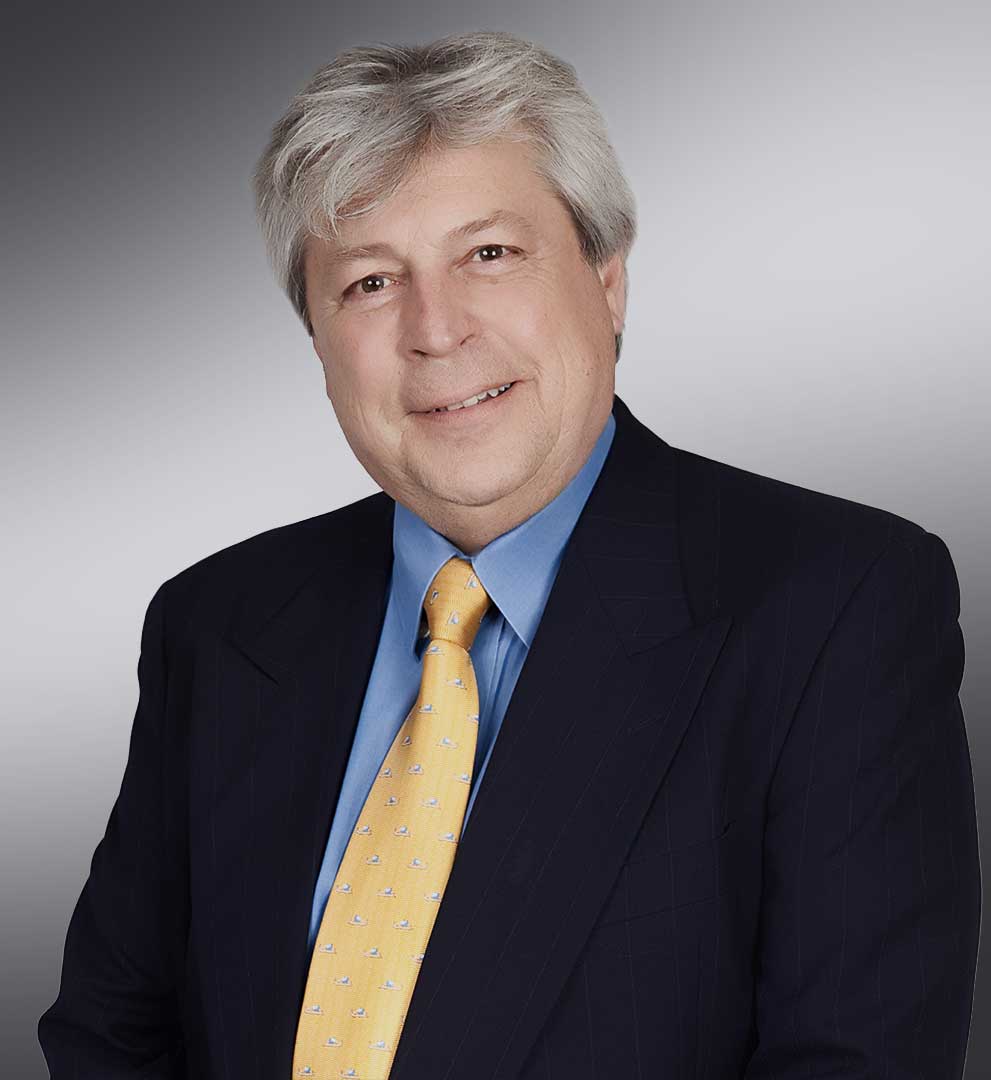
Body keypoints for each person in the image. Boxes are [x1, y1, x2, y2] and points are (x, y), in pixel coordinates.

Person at [38, 29, 980, 1080]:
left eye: (488, 254)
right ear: (316, 339)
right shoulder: (217, 623)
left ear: (607, 280)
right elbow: (111, 1038)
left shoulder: (836, 607)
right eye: (369, 283)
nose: (436, 331)